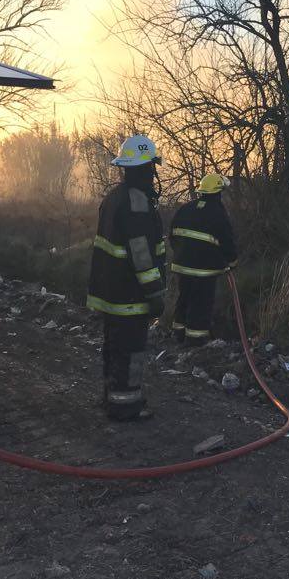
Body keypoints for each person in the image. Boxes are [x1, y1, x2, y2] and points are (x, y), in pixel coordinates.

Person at [86, 134, 166, 421]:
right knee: (130, 350)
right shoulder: (136, 201)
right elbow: (141, 252)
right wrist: (155, 292)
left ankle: (112, 398)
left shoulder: (115, 197)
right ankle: (127, 405)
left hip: (112, 293)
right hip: (130, 295)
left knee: (114, 346)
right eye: (151, 167)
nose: (154, 174)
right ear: (146, 168)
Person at [169, 173, 238, 346]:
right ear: (218, 192)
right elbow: (227, 241)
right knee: (201, 302)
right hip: (204, 269)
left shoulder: (186, 208)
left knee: (184, 297)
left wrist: (181, 254)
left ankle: (178, 334)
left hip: (181, 266)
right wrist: (232, 262)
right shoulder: (218, 213)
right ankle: (195, 340)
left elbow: (172, 235)